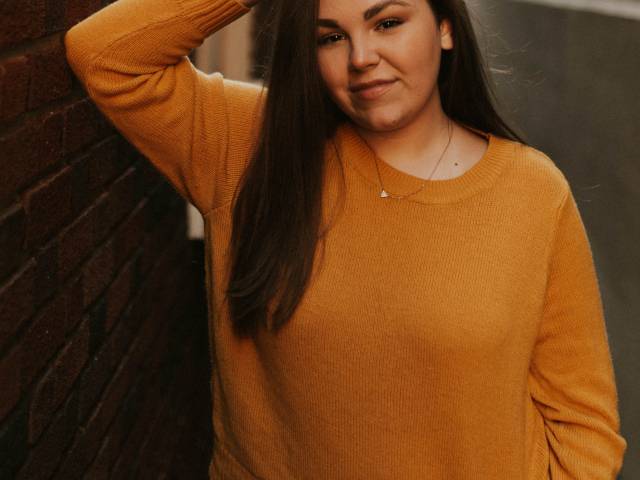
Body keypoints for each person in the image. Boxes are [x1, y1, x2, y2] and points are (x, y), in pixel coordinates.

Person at [64, 0, 627, 477]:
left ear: (446, 27)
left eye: (387, 23)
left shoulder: (531, 191)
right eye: (331, 37)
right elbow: (107, 55)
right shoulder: (249, 148)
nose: (361, 59)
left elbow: (584, 425)